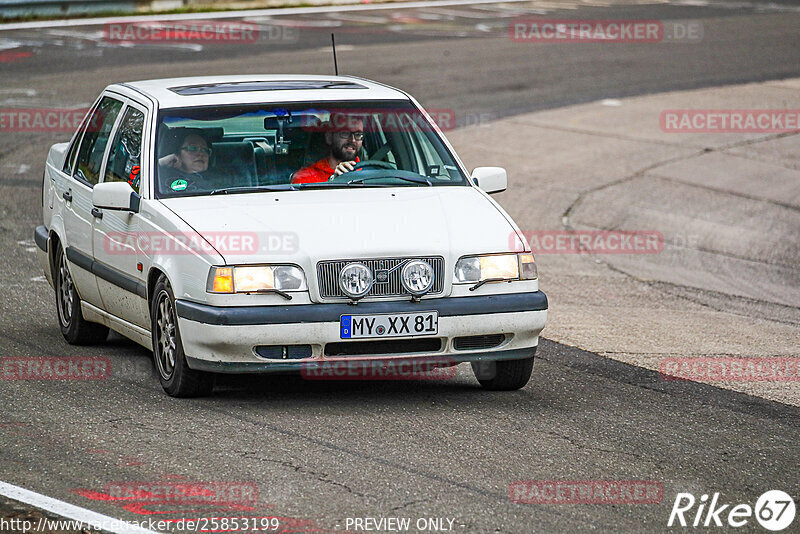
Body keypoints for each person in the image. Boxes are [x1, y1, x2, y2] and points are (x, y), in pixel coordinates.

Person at [291, 115, 365, 184]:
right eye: (345, 133)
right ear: (329, 137)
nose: (353, 140)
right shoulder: (306, 178)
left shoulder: (370, 174)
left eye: (358, 134)